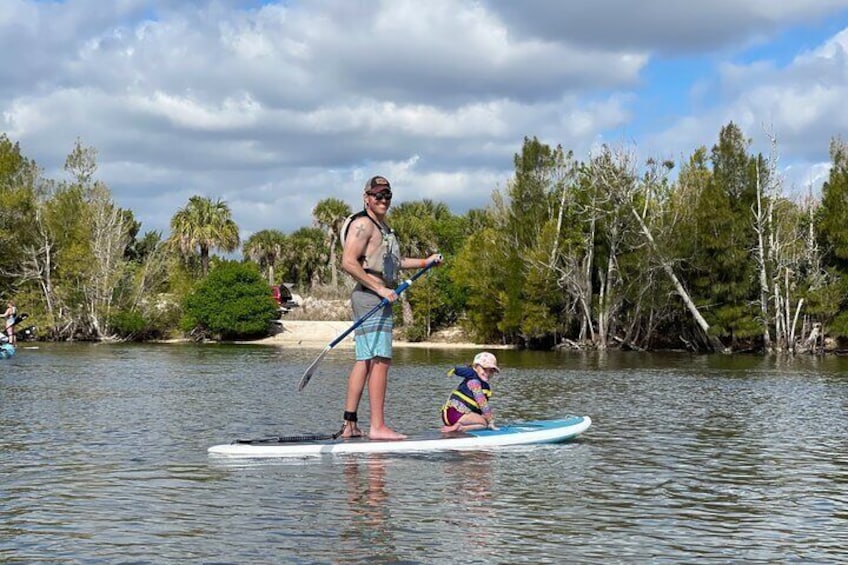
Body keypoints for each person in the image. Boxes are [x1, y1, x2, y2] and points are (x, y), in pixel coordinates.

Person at [340, 175, 442, 440]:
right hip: (371, 297)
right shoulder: (363, 225)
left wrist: (425, 262)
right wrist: (381, 289)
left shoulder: (383, 227)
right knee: (379, 362)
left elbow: (394, 261)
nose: (383, 200)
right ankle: (378, 427)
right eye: (378, 196)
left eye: (387, 196)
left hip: (377, 298)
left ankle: (350, 425)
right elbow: (348, 262)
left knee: (366, 361)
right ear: (366, 198)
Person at [440, 352, 500, 433]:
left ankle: (456, 426)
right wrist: (490, 420)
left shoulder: (473, 379)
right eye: (485, 369)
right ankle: (459, 428)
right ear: (475, 367)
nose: (488, 373)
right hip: (457, 415)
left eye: (491, 371)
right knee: (485, 424)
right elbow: (482, 403)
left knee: (483, 418)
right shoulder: (474, 382)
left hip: (449, 414)